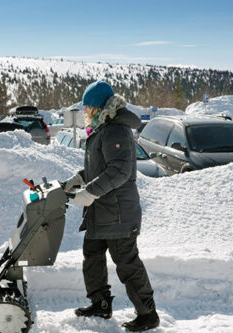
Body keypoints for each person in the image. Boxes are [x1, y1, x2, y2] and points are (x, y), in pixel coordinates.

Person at [63, 81, 159, 331]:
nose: (85, 112)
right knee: (92, 257)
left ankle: (148, 314)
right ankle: (100, 304)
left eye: (88, 107)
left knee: (127, 263)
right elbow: (102, 166)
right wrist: (79, 178)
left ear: (99, 107)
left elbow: (120, 170)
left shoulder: (116, 130)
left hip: (118, 213)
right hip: (102, 210)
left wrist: (91, 192)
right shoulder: (103, 128)